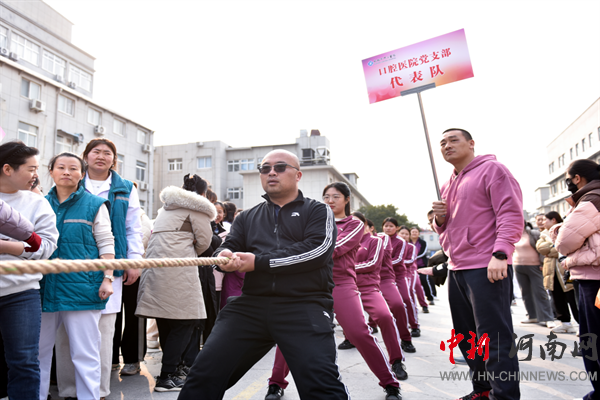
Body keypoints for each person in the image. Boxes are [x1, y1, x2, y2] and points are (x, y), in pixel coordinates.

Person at [178, 150, 350, 400]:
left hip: (305, 304)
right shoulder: (247, 217)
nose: (271, 172)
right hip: (251, 305)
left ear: (298, 175)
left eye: (280, 167)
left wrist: (259, 262)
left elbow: (317, 251)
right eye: (265, 168)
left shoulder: (318, 211)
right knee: (202, 375)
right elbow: (229, 246)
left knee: (322, 386)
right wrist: (224, 257)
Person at [264, 182, 401, 400]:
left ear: (347, 200)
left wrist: (302, 252)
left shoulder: (354, 224)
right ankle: (275, 383)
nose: (330, 200)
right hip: (309, 284)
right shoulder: (312, 220)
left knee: (358, 333)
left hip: (341, 283)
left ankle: (390, 383)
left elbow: (331, 249)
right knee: (291, 332)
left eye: (336, 196)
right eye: (326, 196)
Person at [431, 128, 523, 400]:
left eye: (453, 140)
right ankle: (482, 391)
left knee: (494, 338)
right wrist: (439, 219)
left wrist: (501, 253)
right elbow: (447, 229)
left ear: (471, 144)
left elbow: (510, 213)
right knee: (468, 336)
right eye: (442, 143)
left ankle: (504, 396)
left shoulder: (493, 170)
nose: (447, 146)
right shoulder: (447, 184)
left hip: (487, 265)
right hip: (457, 268)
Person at [39, 152, 115, 400]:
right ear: (51, 171)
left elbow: (106, 243)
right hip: (43, 287)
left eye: (73, 168)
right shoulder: (40, 203)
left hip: (82, 288)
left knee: (85, 352)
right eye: (60, 167)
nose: (66, 172)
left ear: (82, 174)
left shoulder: (95, 204)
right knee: (37, 352)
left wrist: (108, 278)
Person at [136, 174, 215, 391]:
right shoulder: (197, 209)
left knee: (165, 320)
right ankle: (167, 375)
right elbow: (204, 243)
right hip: (180, 270)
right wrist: (187, 251)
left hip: (155, 269)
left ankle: (173, 369)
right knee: (187, 320)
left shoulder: (165, 209)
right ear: (203, 193)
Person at [0, 141, 59, 400]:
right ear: (7, 169)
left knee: (24, 361)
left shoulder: (38, 203)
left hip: (21, 294)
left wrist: (6, 246)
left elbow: (45, 247)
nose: (36, 175)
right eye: (31, 168)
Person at [550, 159, 600, 400]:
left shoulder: (591, 200)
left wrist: (556, 232)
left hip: (593, 280)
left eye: (568, 179)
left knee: (592, 340)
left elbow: (564, 242)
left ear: (577, 178)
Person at [352, 211, 408, 379]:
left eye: (357, 223)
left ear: (367, 226)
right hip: (346, 286)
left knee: (391, 311)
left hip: (376, 282)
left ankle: (398, 356)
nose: (352, 226)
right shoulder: (343, 241)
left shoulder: (378, 240)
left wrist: (347, 268)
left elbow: (373, 263)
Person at [537, 211, 578, 333]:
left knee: (572, 297)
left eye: (545, 220)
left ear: (553, 220)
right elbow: (540, 248)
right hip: (551, 271)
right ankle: (565, 323)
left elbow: (564, 247)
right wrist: (555, 247)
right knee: (557, 296)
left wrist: (551, 249)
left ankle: (581, 324)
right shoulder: (543, 234)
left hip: (564, 269)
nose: (543, 222)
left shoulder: (564, 229)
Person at [513, 222, 555, 327]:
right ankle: (532, 316)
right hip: (518, 266)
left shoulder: (533, 234)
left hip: (535, 266)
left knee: (540, 292)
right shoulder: (513, 235)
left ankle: (547, 318)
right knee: (525, 293)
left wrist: (542, 263)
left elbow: (541, 249)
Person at [383, 218, 420, 337]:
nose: (388, 228)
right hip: (383, 276)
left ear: (396, 228)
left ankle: (414, 326)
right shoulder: (379, 239)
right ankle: (372, 324)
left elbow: (399, 259)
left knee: (406, 298)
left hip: (398, 275)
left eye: (391, 226)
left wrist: (381, 263)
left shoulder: (401, 242)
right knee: (380, 301)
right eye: (386, 226)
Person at [409, 227, 436, 304]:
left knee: (424, 280)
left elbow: (423, 253)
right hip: (410, 266)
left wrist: (412, 257)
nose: (414, 233)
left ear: (418, 233)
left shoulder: (423, 242)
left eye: (416, 232)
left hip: (421, 265)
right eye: (413, 232)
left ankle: (430, 298)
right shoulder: (407, 242)